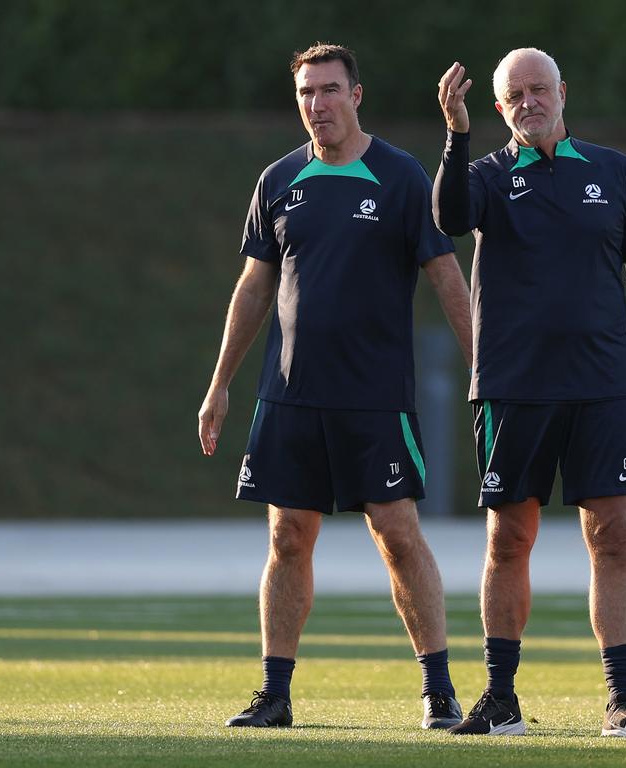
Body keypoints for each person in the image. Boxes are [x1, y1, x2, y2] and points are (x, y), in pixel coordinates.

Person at [198, 43, 472, 730]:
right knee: (288, 537)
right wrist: (220, 383)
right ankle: (275, 694)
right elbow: (255, 285)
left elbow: (446, 276)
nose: (316, 104)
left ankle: (438, 689)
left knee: (397, 533)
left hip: (374, 396)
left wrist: (483, 365)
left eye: (328, 90)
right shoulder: (280, 180)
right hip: (289, 395)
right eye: (305, 93)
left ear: (356, 95)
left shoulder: (402, 177)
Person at [433, 48, 626, 737]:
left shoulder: (613, 171)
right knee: (509, 538)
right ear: (501, 108)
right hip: (514, 386)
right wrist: (455, 134)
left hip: (601, 386)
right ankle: (501, 698)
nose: (531, 102)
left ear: (563, 92)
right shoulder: (484, 174)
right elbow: (449, 217)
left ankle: (622, 700)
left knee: (613, 537)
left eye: (540, 89)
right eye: (516, 95)